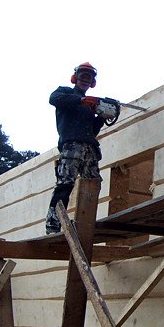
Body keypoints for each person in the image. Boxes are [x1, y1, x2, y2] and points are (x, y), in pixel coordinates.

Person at [45, 62, 106, 234]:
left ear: (92, 82)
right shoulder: (65, 93)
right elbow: (53, 99)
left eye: (89, 78)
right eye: (83, 76)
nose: (85, 80)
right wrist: (81, 100)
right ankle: (53, 223)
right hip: (71, 146)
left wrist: (102, 116)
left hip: (90, 149)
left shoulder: (90, 108)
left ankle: (86, 222)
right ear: (75, 77)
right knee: (65, 183)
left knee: (92, 184)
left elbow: (92, 131)